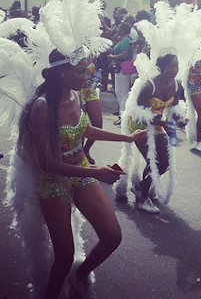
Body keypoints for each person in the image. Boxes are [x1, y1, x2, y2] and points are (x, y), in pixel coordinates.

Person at [17, 48, 145, 299]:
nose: (88, 74)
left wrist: (127, 138)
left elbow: (85, 129)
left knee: (112, 236)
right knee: (64, 255)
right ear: (61, 72)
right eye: (81, 70)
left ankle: (81, 274)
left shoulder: (75, 95)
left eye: (89, 68)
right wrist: (97, 172)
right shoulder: (42, 107)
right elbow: (45, 163)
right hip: (52, 180)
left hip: (83, 171)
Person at [129, 54, 186, 213]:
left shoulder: (176, 85)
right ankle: (142, 199)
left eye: (177, 66)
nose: (175, 70)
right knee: (154, 161)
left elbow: (173, 109)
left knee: (165, 162)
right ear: (162, 66)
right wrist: (161, 122)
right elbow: (138, 110)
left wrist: (179, 120)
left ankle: (141, 187)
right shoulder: (150, 86)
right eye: (171, 66)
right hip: (140, 125)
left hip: (158, 124)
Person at [107, 22, 133, 125]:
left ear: (123, 30)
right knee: (119, 92)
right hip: (119, 69)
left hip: (123, 69)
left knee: (123, 93)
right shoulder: (123, 39)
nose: (117, 30)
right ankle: (122, 116)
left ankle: (124, 117)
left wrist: (112, 57)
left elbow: (124, 55)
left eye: (119, 28)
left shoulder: (126, 40)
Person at [80, 55, 103, 164]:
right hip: (78, 90)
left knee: (98, 124)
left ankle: (86, 150)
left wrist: (97, 77)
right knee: (80, 126)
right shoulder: (73, 50)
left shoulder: (91, 52)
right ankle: (79, 155)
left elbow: (97, 71)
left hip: (91, 90)